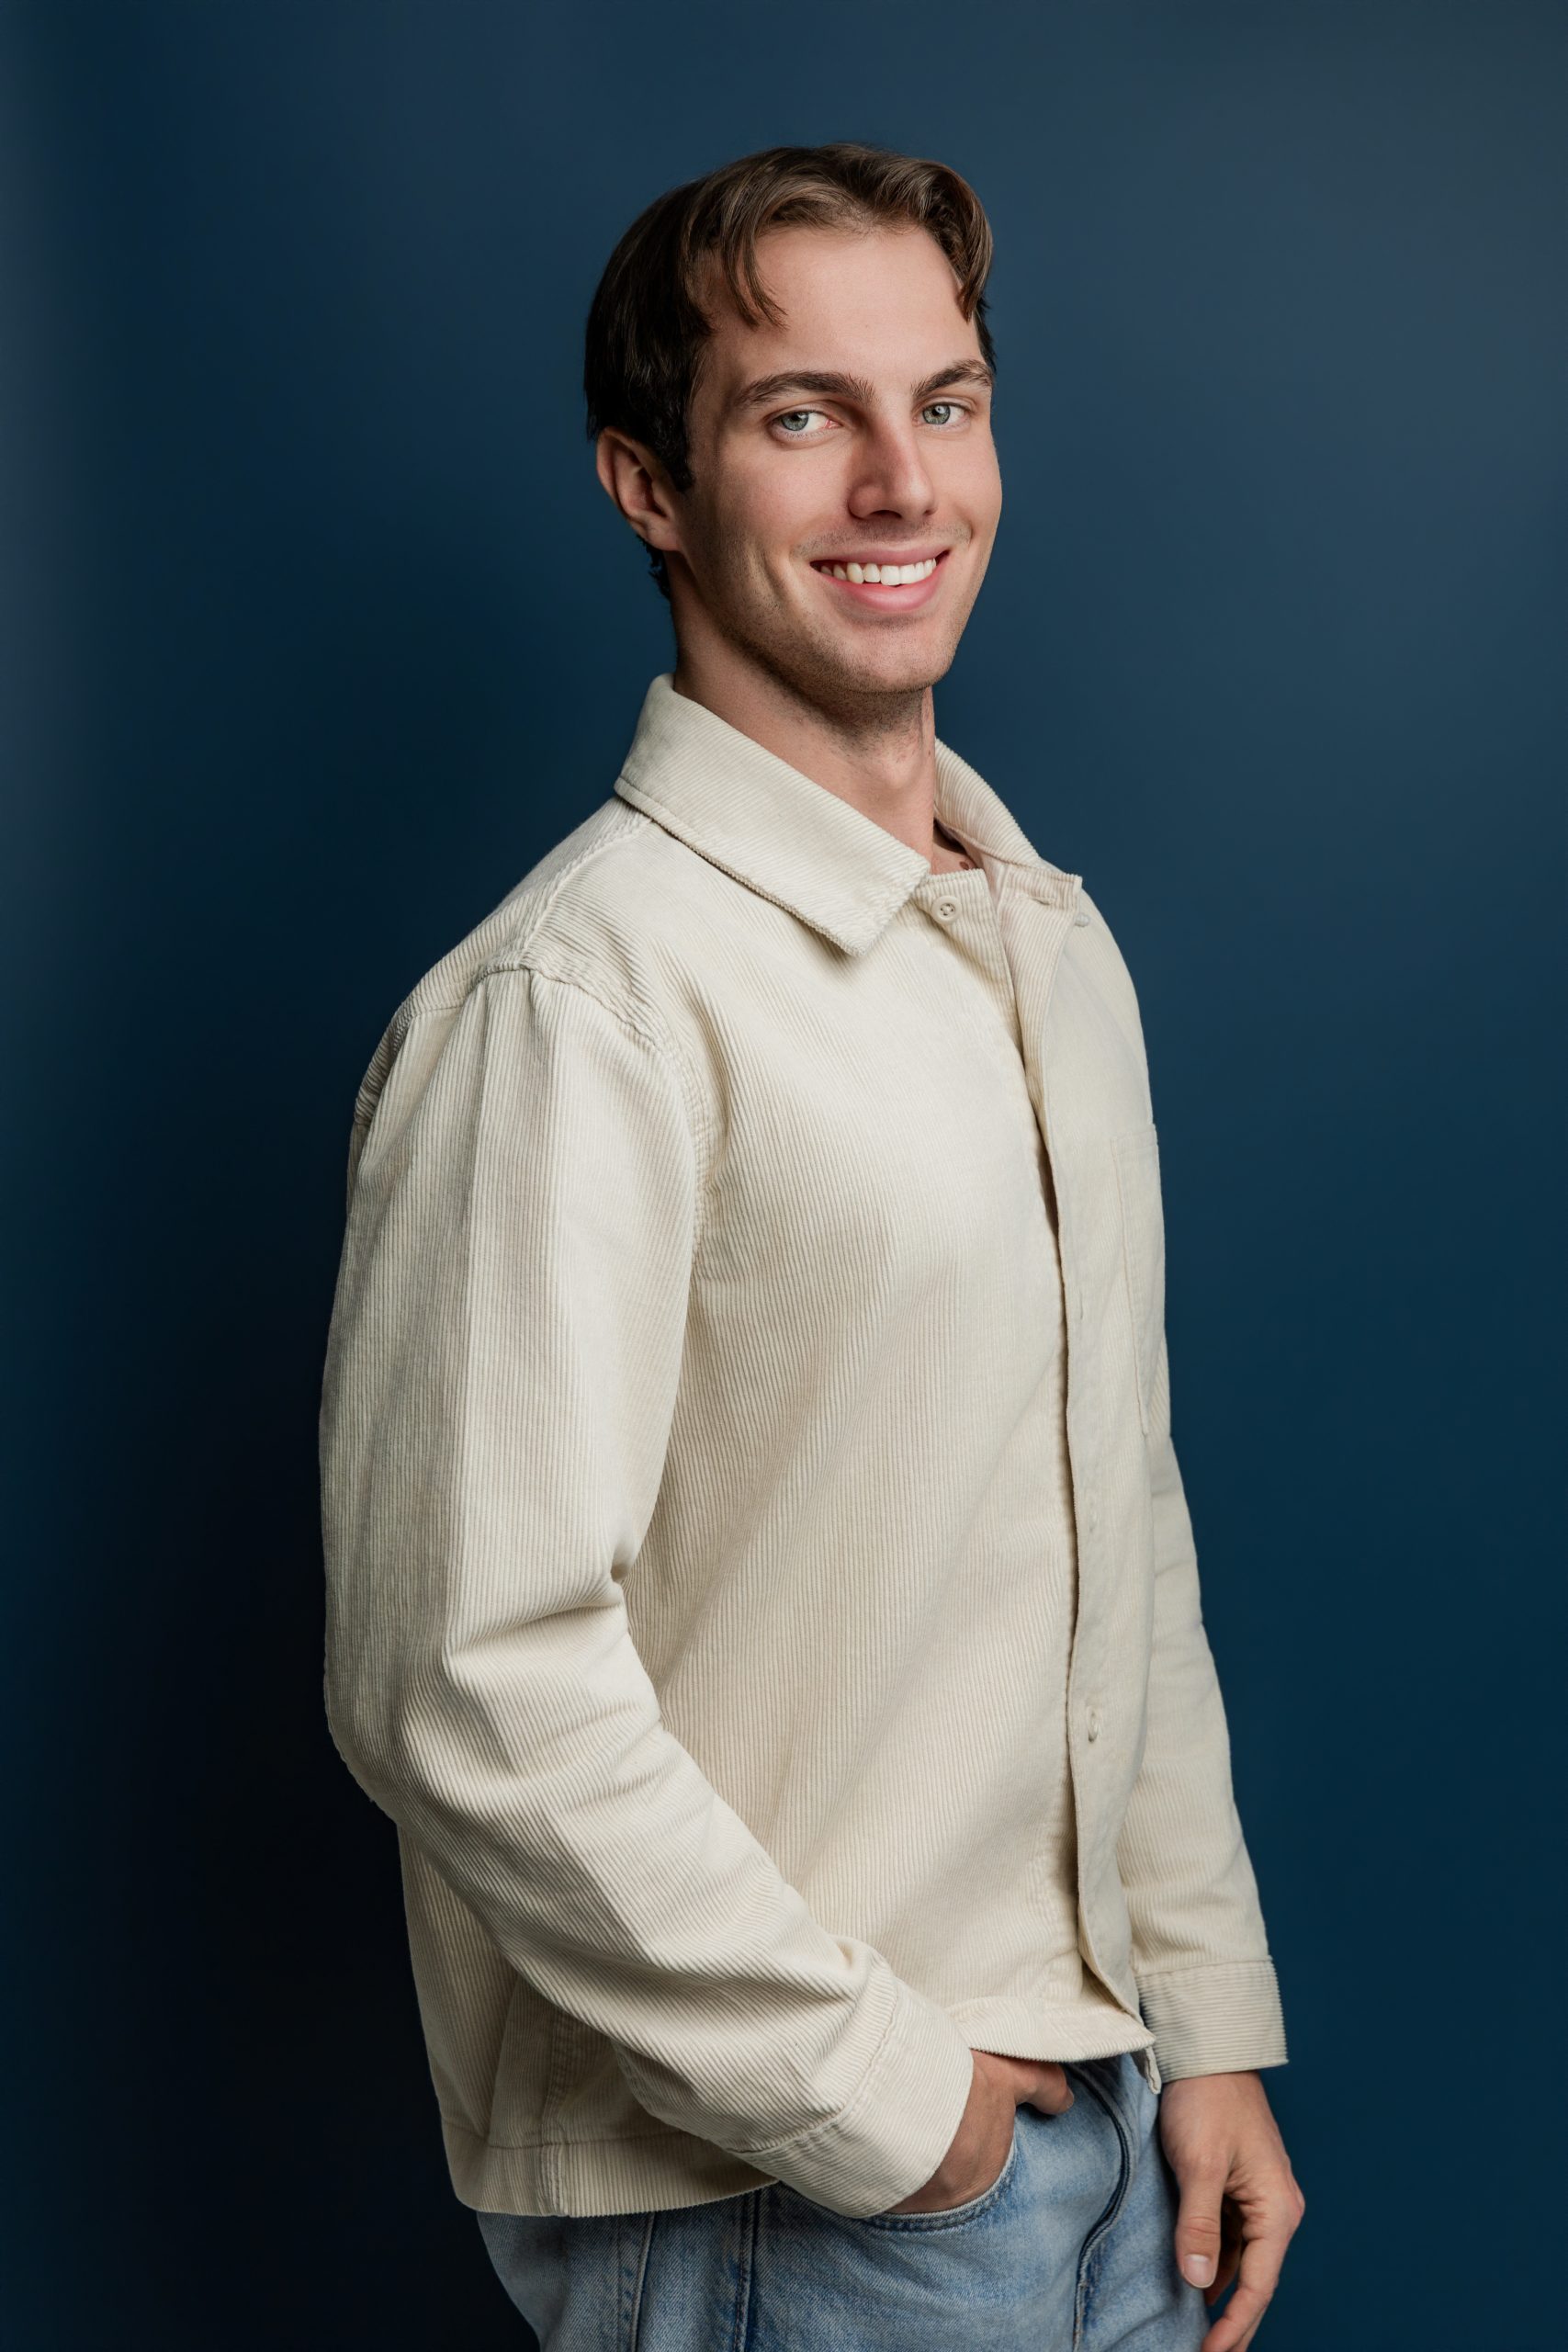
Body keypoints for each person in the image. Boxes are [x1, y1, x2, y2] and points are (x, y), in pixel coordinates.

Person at [319, 141, 1305, 2352]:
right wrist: (889, 2109)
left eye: (942, 402)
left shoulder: (1045, 945)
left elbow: (1110, 1515)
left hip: (1107, 2133)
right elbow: (457, 1676)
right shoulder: (576, 1001)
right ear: (647, 487)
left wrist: (1203, 2016)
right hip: (787, 2191)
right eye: (800, 414)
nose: (898, 482)